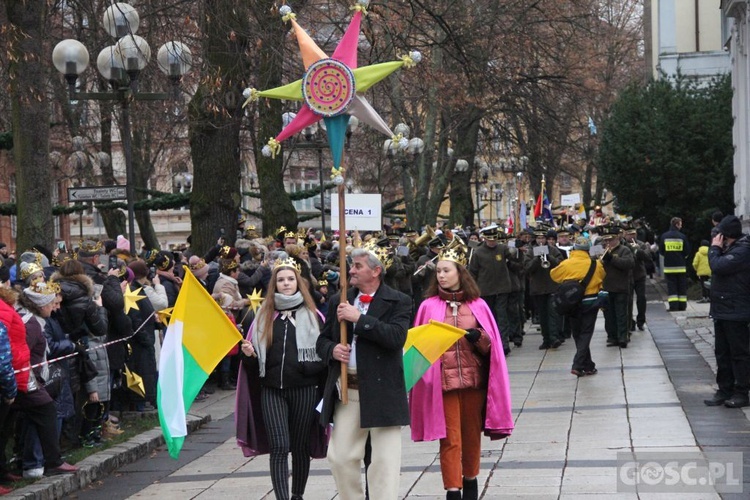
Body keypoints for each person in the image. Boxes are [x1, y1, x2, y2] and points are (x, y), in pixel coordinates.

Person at [409, 240, 513, 500]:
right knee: (450, 439)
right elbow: (419, 348)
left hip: (473, 382)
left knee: (471, 438)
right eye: (439, 271)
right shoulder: (427, 306)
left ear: (460, 273)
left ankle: (470, 483)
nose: (441, 276)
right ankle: (453, 491)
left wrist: (476, 336)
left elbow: (493, 349)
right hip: (443, 385)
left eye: (447, 270)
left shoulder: (478, 304)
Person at [316, 247, 412, 500]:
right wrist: (332, 350)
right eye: (352, 266)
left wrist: (360, 319)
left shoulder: (399, 300)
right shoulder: (340, 300)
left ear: (376, 271)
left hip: (383, 391)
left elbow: (395, 338)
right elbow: (322, 340)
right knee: (340, 456)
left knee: (384, 462)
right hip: (349, 389)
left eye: (358, 266)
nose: (352, 270)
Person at [236, 258, 326, 500]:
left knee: (299, 447)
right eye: (281, 280)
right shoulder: (263, 317)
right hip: (272, 390)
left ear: (299, 282)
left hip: (305, 389)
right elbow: (253, 366)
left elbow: (326, 355)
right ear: (274, 285)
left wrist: (308, 367)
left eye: (290, 279)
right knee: (278, 446)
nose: (286, 284)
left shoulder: (314, 316)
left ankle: (297, 495)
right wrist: (248, 355)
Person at [704, 215, 750, 408]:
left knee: (739, 353)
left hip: (737, 310)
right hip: (722, 309)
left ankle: (741, 392)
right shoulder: (729, 249)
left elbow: (718, 266)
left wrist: (714, 249)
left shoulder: (743, 250)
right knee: (722, 353)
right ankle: (724, 389)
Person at [550, 237, 606, 376]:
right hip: (590, 302)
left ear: (574, 248)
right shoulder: (596, 264)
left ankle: (588, 365)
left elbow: (554, 275)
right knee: (586, 333)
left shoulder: (566, 263)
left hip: (572, 303)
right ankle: (578, 364)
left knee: (577, 334)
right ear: (588, 249)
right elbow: (602, 277)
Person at [468, 225, 518, 355]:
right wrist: (471, 288)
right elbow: (472, 272)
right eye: (489, 240)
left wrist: (515, 251)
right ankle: (490, 343)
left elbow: (515, 259)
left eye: (494, 239)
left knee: (502, 317)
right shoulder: (478, 252)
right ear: (484, 239)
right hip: (485, 290)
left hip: (502, 288)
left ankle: (504, 344)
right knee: (490, 318)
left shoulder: (502, 248)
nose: (492, 242)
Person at [600, 227, 635, 348]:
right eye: (606, 240)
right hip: (606, 287)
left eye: (611, 240)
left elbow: (629, 264)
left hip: (620, 287)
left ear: (617, 238)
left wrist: (612, 258)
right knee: (608, 315)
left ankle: (623, 337)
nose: (608, 243)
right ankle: (612, 337)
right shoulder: (600, 249)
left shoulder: (624, 250)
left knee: (621, 314)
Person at [659, 217, 690, 311]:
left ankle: (673, 306)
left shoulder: (664, 236)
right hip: (681, 267)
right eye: (680, 224)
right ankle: (682, 306)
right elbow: (687, 251)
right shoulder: (682, 236)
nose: (681, 226)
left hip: (669, 267)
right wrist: (681, 258)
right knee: (681, 286)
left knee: (672, 287)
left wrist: (669, 256)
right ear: (676, 225)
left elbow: (661, 251)